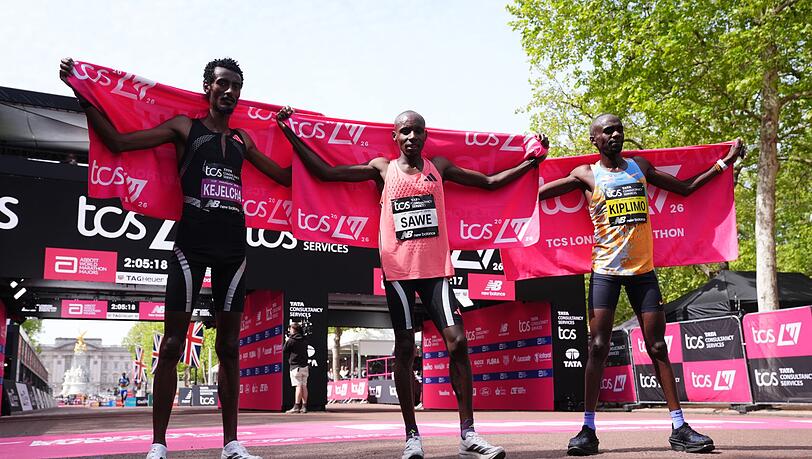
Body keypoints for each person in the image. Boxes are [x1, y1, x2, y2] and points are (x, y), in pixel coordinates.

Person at [277, 107, 546, 459]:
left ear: (425, 135)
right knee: (405, 348)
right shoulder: (382, 169)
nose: (411, 137)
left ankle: (468, 434)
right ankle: (411, 437)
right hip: (399, 273)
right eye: (404, 131)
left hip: (436, 270)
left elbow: (490, 182)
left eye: (417, 131)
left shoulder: (440, 167)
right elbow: (325, 173)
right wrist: (291, 133)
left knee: (459, 343)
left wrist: (532, 161)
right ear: (394, 137)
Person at [60, 57, 291, 459]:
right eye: (223, 84)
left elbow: (286, 178)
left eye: (236, 86)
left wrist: (295, 133)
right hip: (191, 246)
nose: (230, 92)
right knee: (170, 345)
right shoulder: (185, 128)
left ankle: (232, 444)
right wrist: (83, 93)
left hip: (234, 249)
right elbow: (117, 142)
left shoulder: (242, 141)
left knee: (230, 348)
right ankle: (158, 444)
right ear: (208, 87)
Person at [538, 114, 744, 456]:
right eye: (608, 131)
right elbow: (534, 196)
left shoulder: (640, 167)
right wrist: (534, 160)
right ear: (594, 140)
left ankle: (680, 427)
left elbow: (688, 188)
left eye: (619, 129)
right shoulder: (586, 175)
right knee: (599, 346)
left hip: (643, 272)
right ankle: (587, 429)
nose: (615, 134)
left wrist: (726, 162)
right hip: (605, 271)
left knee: (658, 346)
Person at [283, 322, 310, 413]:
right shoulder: (304, 339)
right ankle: (305, 406)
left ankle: (296, 406)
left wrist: (287, 340)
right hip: (305, 366)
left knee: (298, 386)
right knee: (304, 386)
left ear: (294, 330)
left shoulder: (291, 340)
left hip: (295, 366)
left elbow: (284, 350)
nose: (289, 330)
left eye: (290, 329)